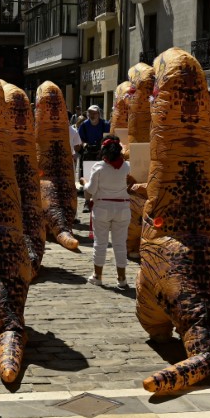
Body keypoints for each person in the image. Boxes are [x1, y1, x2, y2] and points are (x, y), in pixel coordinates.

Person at [83, 138, 133, 289]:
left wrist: (84, 182)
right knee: (120, 244)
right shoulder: (128, 167)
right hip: (122, 209)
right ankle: (122, 278)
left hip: (103, 208)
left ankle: (97, 276)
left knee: (100, 243)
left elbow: (90, 190)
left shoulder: (98, 167)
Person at [77, 104, 110, 181]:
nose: (92, 115)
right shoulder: (84, 125)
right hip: (88, 151)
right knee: (87, 173)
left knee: (101, 172)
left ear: (99, 114)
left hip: (101, 151)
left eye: (94, 113)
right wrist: (84, 144)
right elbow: (79, 139)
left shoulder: (105, 124)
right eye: (90, 113)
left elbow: (109, 137)